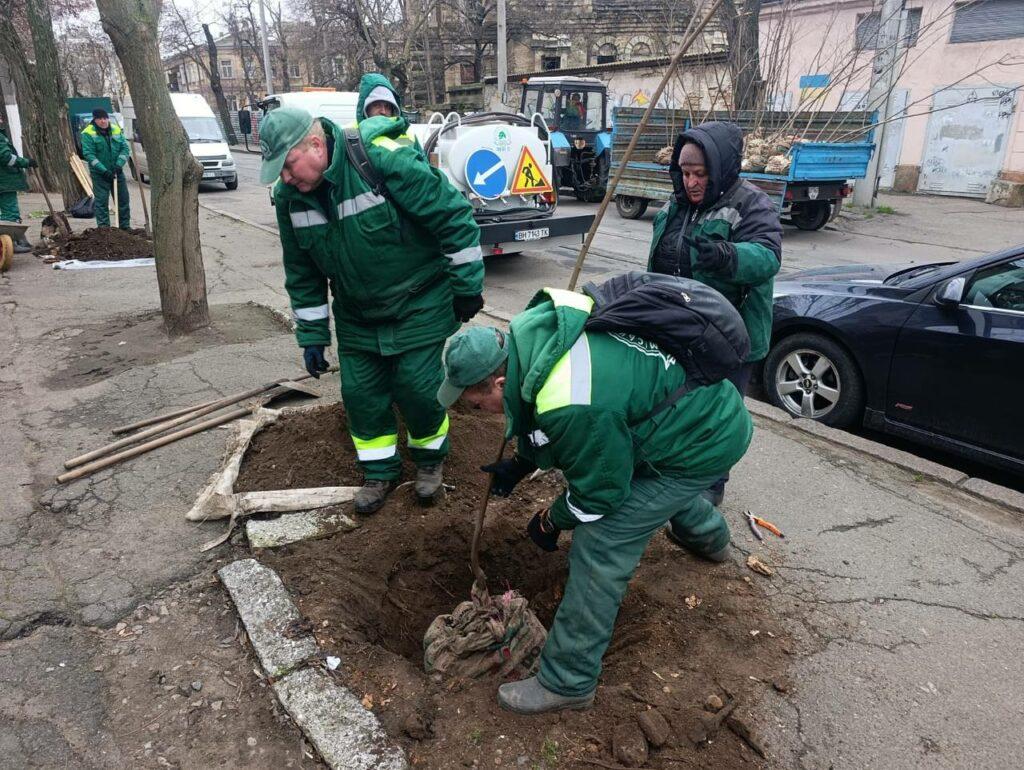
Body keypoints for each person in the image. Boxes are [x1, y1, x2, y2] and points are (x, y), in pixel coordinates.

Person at [436, 290, 753, 714]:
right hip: (677, 418)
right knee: (640, 482)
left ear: (497, 381)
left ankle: (567, 681)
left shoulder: (570, 399)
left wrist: (552, 518)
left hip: (701, 441)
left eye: (478, 405)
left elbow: (599, 493)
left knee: (603, 538)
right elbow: (544, 411)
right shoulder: (535, 338)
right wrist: (521, 461)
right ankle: (711, 539)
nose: (480, 413)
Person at [259, 106, 485, 514]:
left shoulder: (378, 158)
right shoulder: (289, 200)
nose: (287, 178)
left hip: (419, 300)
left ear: (315, 143)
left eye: (289, 166)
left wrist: (467, 286)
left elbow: (452, 215)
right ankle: (379, 471)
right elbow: (303, 272)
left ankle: (430, 461)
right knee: (361, 394)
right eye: (280, 171)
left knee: (417, 388)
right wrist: (312, 335)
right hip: (357, 313)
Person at [648, 121, 781, 506]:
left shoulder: (750, 203)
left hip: (731, 334)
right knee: (681, 406)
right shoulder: (675, 206)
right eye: (685, 173)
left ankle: (710, 486)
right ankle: (676, 471)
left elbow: (768, 258)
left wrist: (727, 256)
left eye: (700, 174)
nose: (691, 182)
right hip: (682, 330)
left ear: (719, 169)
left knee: (718, 416)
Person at [80, 108, 131, 230]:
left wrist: (119, 165)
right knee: (102, 202)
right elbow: (89, 155)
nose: (103, 121)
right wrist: (104, 170)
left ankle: (125, 227)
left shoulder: (116, 129)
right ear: (95, 119)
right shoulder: (87, 133)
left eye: (105, 118)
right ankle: (104, 230)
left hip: (117, 171)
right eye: (99, 119)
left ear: (108, 118)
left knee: (123, 200)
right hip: (100, 175)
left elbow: (125, 149)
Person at [0, 116, 37, 253]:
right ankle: (10, 242)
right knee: (10, 213)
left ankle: (17, 239)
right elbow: (6, 158)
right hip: (5, 180)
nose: (1, 119)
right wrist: (26, 162)